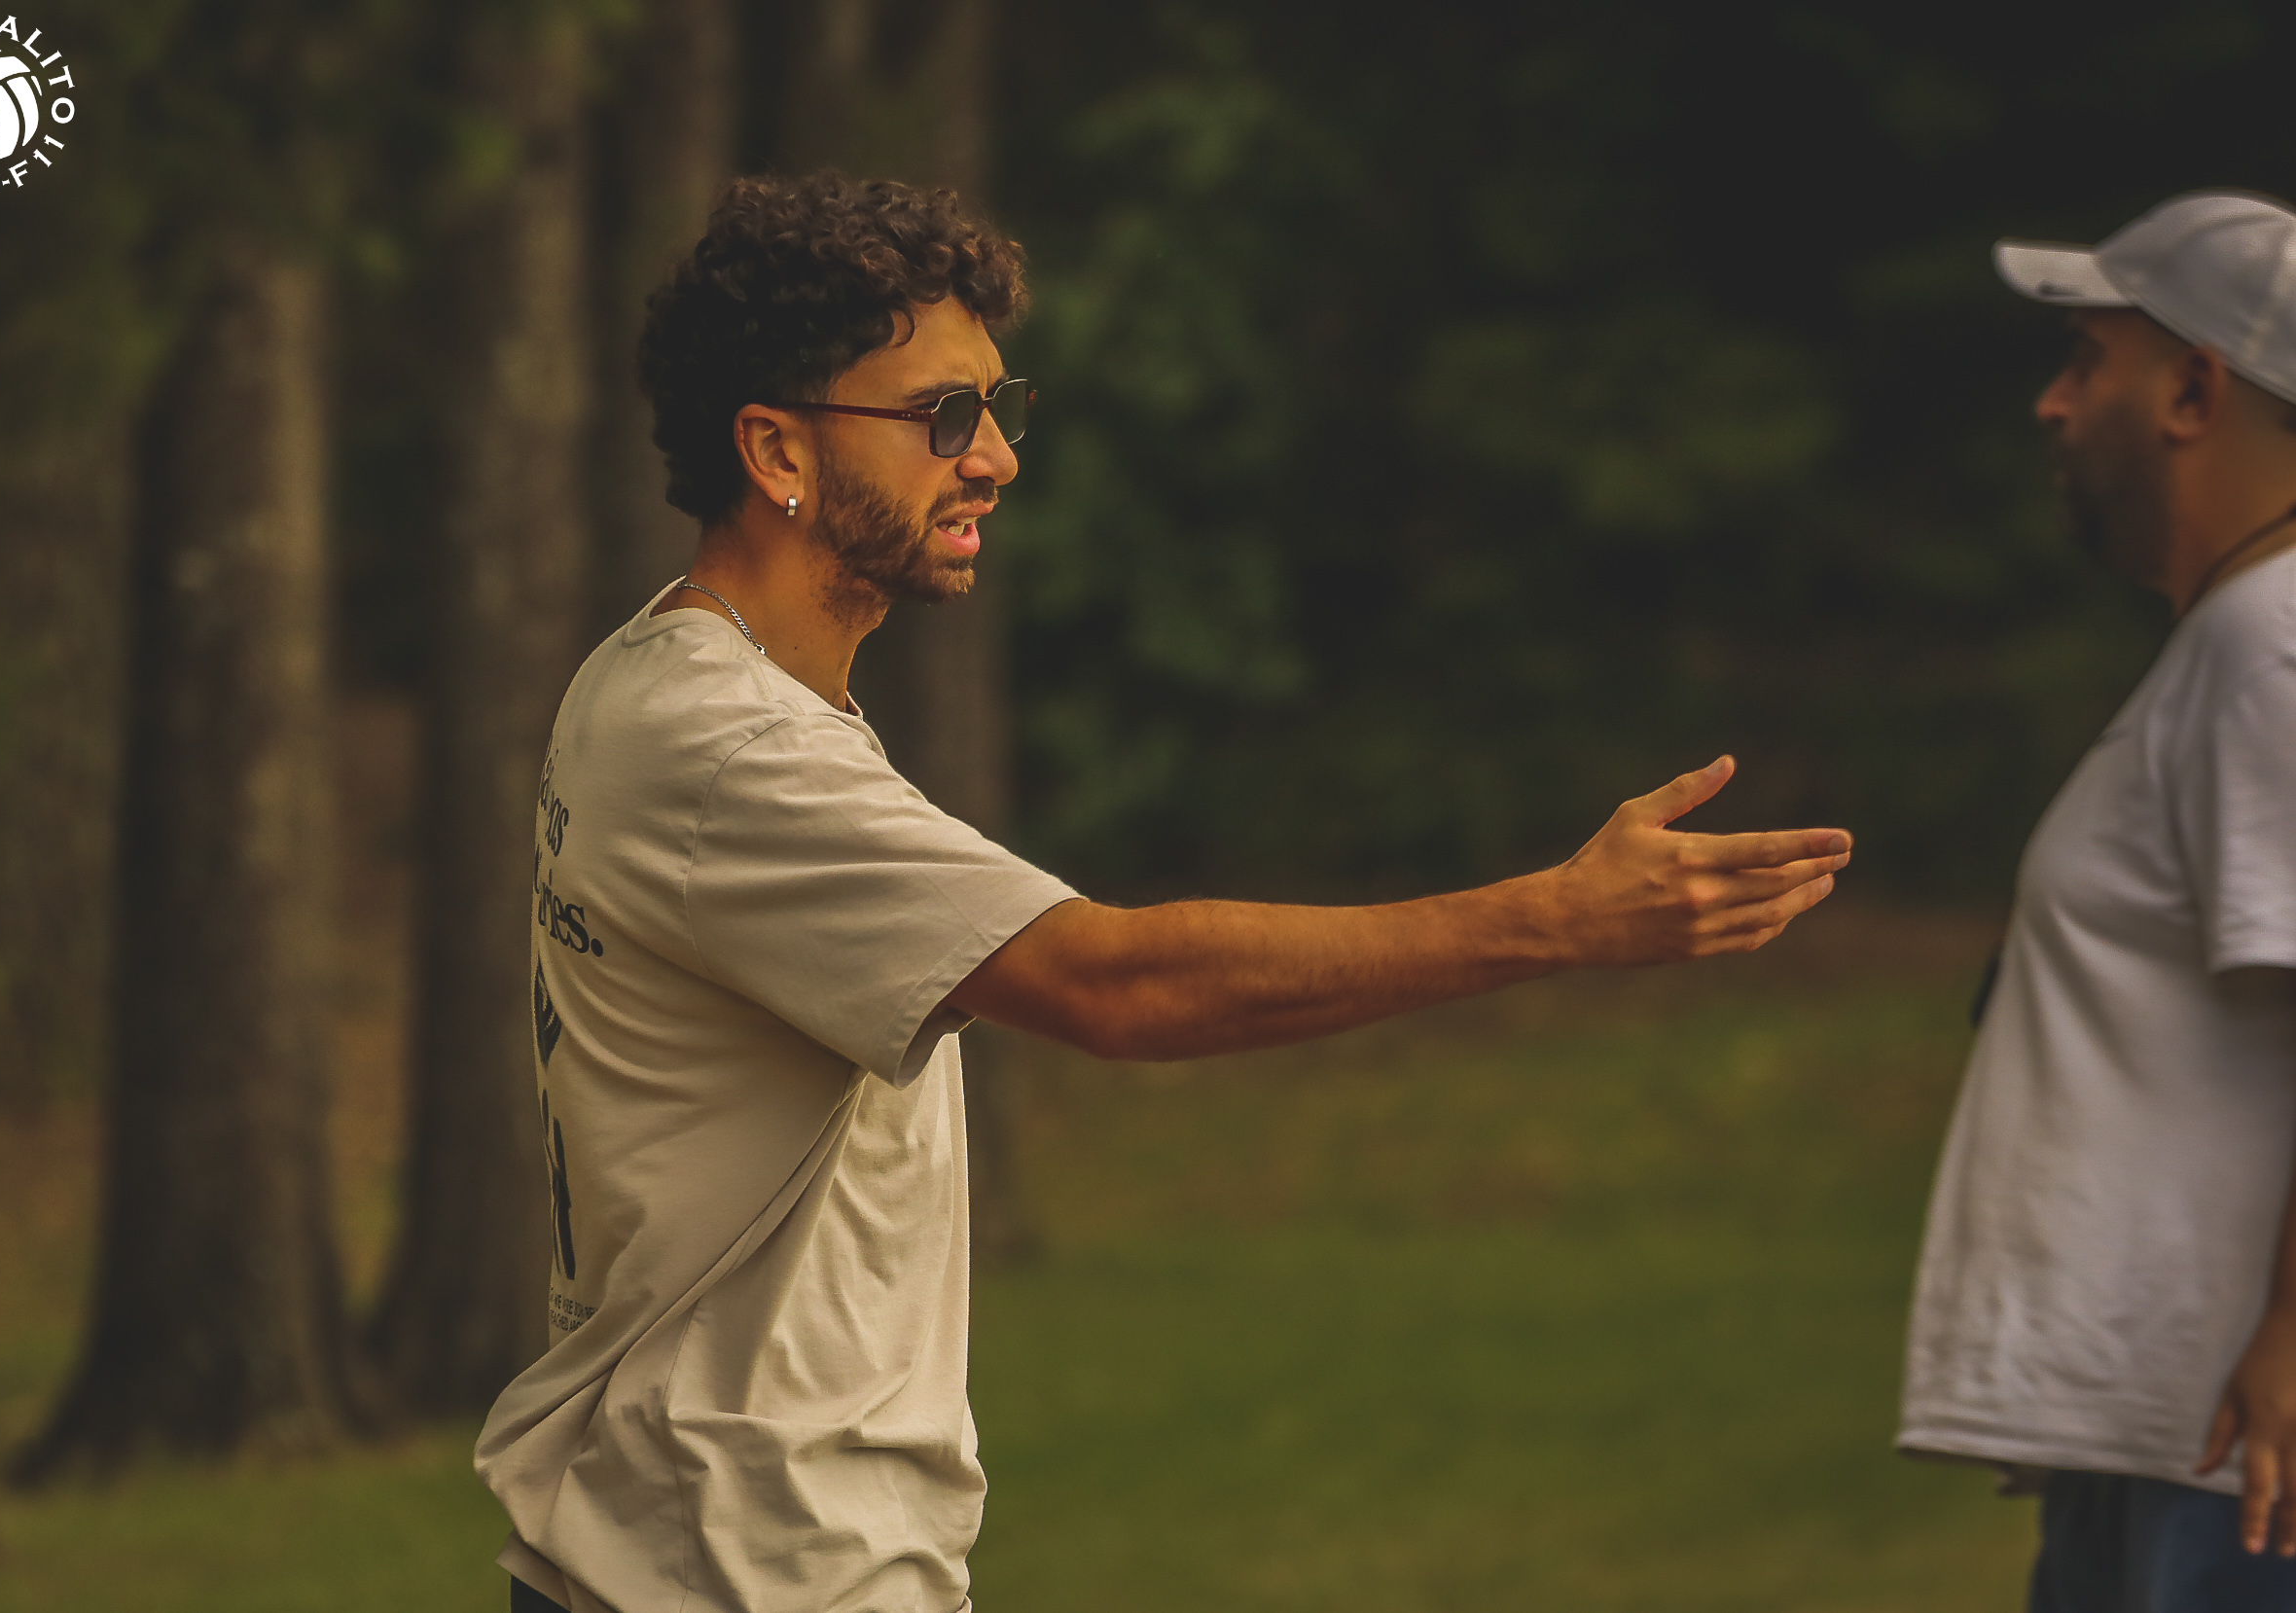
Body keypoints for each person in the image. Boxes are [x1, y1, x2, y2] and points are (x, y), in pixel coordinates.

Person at [479, 169, 1851, 1613]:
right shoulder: (732, 750)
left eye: (1000, 409)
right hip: (735, 1570)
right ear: (776, 448)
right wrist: (1552, 920)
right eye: (943, 416)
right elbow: (1115, 983)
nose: (995, 459)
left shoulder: (654, 681)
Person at [1899, 190, 2296, 1611]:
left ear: (2194, 391)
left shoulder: (2271, 653)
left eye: (2088, 362)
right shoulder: (2232, 643)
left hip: (2241, 1453)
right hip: (2174, 1432)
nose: (2052, 404)